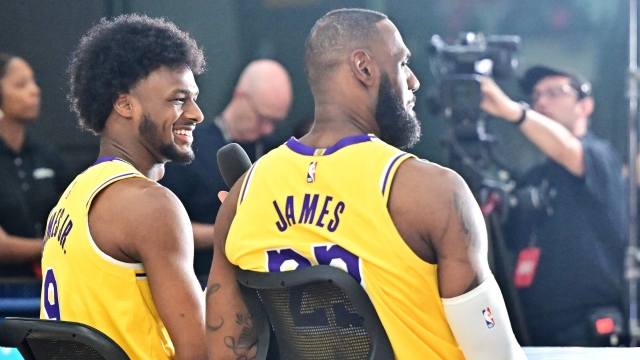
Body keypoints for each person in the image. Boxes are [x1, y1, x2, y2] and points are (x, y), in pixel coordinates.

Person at [205, 8, 525, 360]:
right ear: (364, 68)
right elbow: (495, 354)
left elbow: (228, 349)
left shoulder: (244, 196)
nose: (414, 81)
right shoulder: (433, 193)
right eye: (403, 64)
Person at [40, 15, 208, 359]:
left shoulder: (72, 197)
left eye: (193, 98)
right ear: (124, 104)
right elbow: (200, 352)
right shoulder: (151, 206)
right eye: (179, 99)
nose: (196, 113)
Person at [480, 66, 627, 346]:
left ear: (585, 105)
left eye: (555, 92)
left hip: (589, 332)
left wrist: (515, 111)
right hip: (531, 332)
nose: (542, 102)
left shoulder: (600, 157)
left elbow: (568, 150)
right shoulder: (533, 178)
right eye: (535, 96)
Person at [160, 59, 292, 278]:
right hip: (205, 277)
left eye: (275, 122)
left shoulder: (276, 151)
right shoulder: (189, 148)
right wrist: (226, 233)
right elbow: (165, 230)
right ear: (240, 96)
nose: (268, 129)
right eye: (263, 118)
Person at [0, 53, 72, 280]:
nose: (35, 91)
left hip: (47, 287)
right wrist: (58, 246)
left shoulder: (47, 155)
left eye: (34, 82)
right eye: (22, 85)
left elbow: (73, 218)